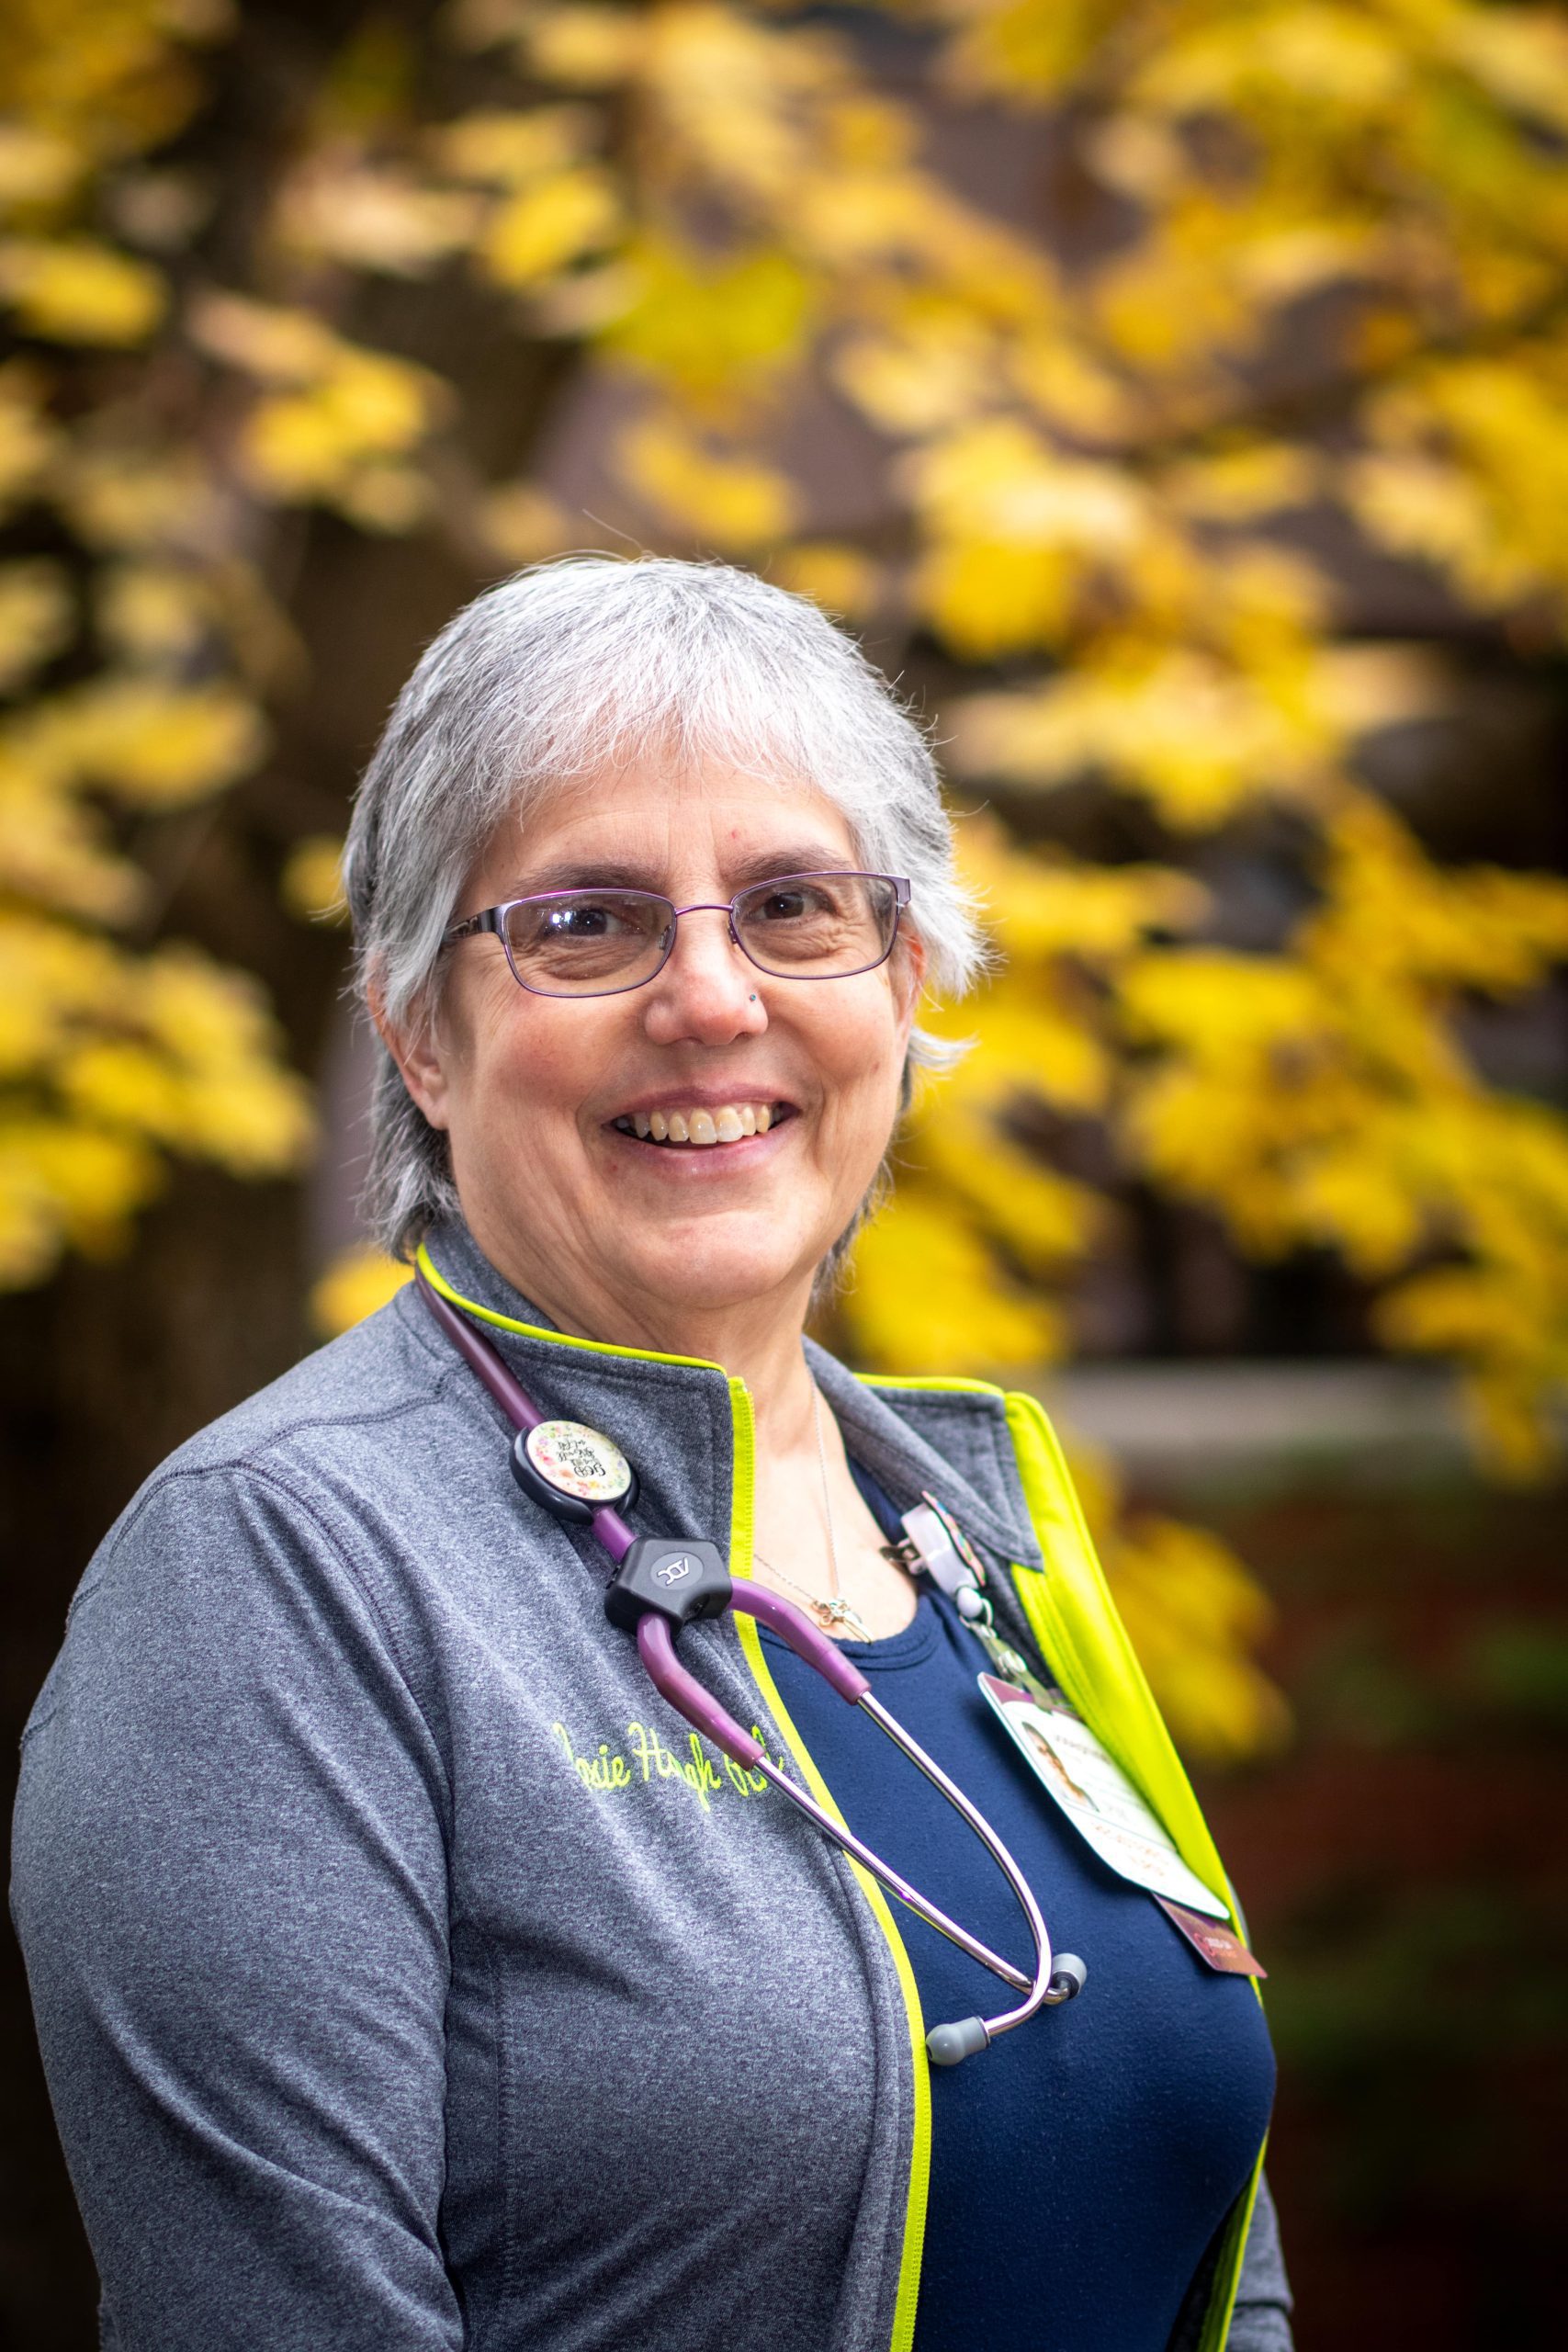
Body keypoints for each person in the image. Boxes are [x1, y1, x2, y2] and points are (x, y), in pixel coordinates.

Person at [11, 558, 1292, 2352]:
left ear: (904, 978)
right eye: (584, 923)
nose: (708, 995)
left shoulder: (968, 1527)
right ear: (414, 1030)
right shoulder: (278, 1564)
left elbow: (1217, 2260)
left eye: (791, 905)